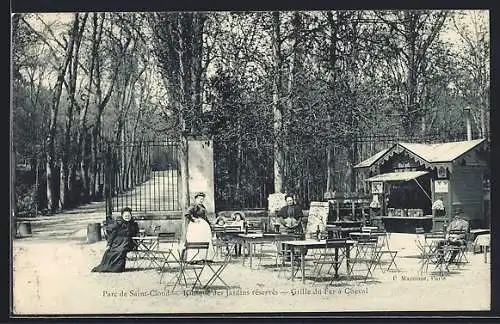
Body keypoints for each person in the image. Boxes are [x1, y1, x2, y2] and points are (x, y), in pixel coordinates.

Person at [91, 207, 139, 273]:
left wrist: (135, 244)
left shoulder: (133, 224)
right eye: (125, 216)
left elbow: (135, 234)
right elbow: (112, 235)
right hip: (117, 242)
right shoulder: (118, 224)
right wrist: (109, 245)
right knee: (109, 252)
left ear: (131, 215)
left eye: (128, 215)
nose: (127, 217)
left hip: (127, 243)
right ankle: (106, 267)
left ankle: (117, 268)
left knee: (121, 251)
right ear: (122, 216)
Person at [183, 192, 214, 261]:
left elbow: (205, 217)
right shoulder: (194, 205)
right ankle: (194, 258)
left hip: (203, 226)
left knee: (204, 239)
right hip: (196, 226)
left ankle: (203, 257)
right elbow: (187, 214)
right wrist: (194, 219)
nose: (201, 200)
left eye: (202, 199)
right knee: (195, 239)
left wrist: (209, 224)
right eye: (200, 198)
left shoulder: (202, 206)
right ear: (196, 199)